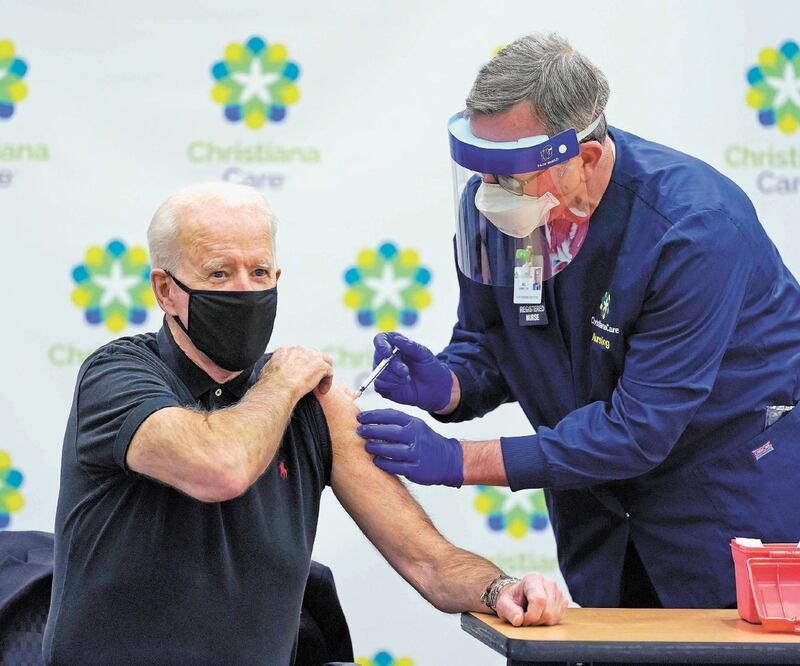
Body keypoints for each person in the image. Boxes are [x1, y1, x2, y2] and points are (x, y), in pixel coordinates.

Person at [357, 32, 800, 610]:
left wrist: (460, 460)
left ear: (584, 159)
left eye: (509, 177)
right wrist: (450, 385)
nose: (489, 196)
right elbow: (496, 344)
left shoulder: (694, 229)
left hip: (723, 507)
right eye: (482, 173)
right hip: (600, 519)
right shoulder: (500, 212)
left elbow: (640, 428)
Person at [42, 182, 566, 665]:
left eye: (261, 273)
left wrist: (501, 589)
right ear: (165, 290)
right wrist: (281, 381)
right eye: (220, 274)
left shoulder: (312, 405)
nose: (246, 291)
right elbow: (219, 469)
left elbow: (428, 560)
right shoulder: (118, 377)